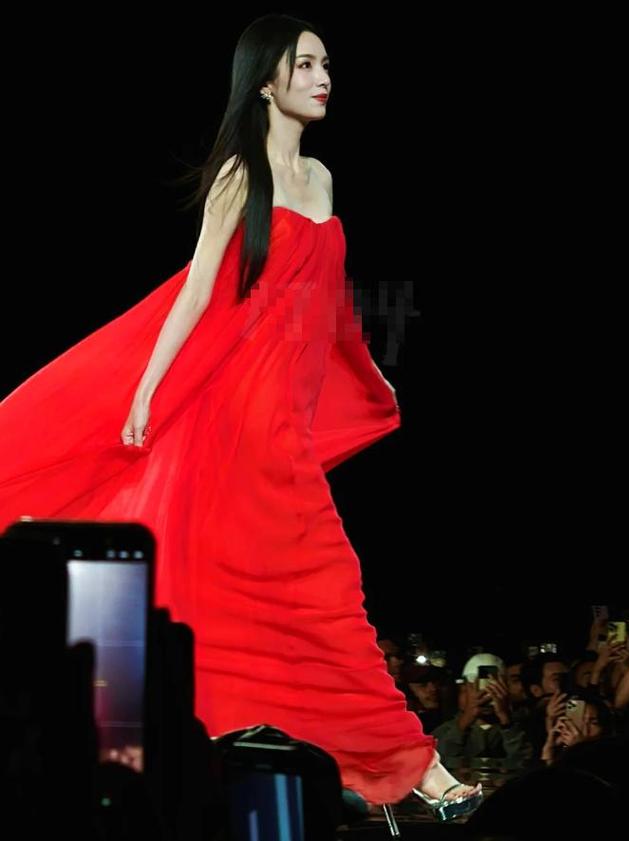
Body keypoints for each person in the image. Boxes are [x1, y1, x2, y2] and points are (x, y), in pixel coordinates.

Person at [0, 14, 480, 813]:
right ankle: (416, 772)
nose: (323, 78)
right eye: (306, 65)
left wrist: (369, 376)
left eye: (326, 64)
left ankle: (384, 768)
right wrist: (147, 387)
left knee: (310, 602)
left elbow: (330, 304)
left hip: (283, 429)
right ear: (264, 81)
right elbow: (195, 292)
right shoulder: (238, 176)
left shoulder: (321, 179)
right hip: (238, 423)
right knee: (315, 595)